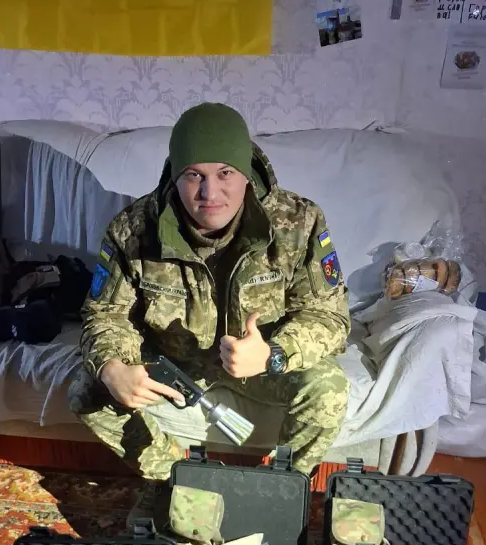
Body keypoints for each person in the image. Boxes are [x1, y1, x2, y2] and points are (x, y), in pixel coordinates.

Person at [69, 103, 350, 523]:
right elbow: (105, 314)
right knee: (87, 389)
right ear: (175, 176)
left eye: (225, 173)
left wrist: (274, 353)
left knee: (328, 389)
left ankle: (279, 492)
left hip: (258, 364)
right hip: (173, 363)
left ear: (247, 172)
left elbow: (330, 317)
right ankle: (176, 483)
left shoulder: (299, 222)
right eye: (193, 175)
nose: (210, 193)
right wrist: (113, 367)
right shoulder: (133, 229)